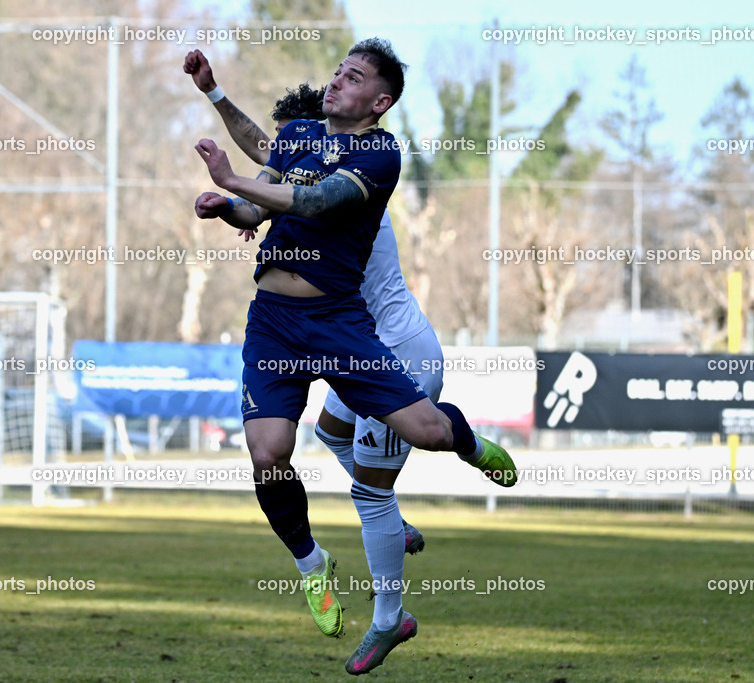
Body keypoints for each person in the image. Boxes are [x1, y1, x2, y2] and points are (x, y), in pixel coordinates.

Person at [191, 38, 517, 675]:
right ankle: (312, 564)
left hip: (346, 325)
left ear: (380, 102)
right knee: (269, 453)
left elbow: (314, 200)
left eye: (354, 76)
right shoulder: (303, 136)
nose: (337, 80)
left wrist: (231, 181)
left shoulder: (379, 154)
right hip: (274, 324)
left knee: (422, 437)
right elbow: (263, 177)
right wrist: (226, 191)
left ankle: (466, 443)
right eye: (338, 71)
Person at [183, 50, 435, 558]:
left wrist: (240, 191)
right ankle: (339, 548)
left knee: (385, 477)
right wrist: (214, 96)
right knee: (324, 436)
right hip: (300, 326)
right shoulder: (305, 157)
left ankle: (390, 572)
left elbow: (296, 188)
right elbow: (270, 168)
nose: (284, 152)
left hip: (381, 336)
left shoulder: (354, 180)